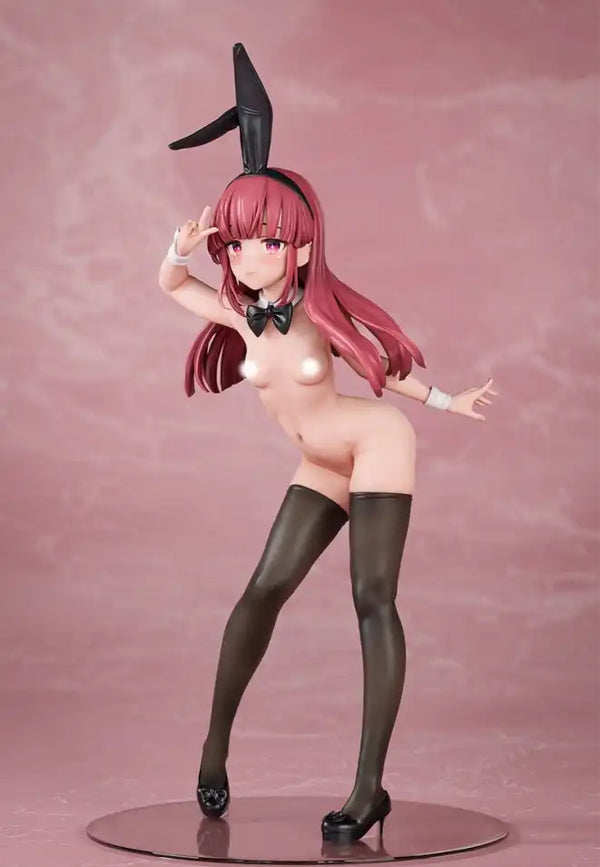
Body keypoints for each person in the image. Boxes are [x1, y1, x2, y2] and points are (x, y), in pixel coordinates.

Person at [159, 44, 497, 843]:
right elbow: (172, 285)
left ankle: (369, 787)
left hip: (375, 445)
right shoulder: (242, 314)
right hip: (319, 461)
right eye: (238, 243)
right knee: (260, 593)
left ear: (303, 248)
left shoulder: (316, 315)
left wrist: (446, 399)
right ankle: (213, 750)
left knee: (371, 599)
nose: (249, 258)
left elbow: (382, 366)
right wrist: (182, 245)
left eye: (268, 243)